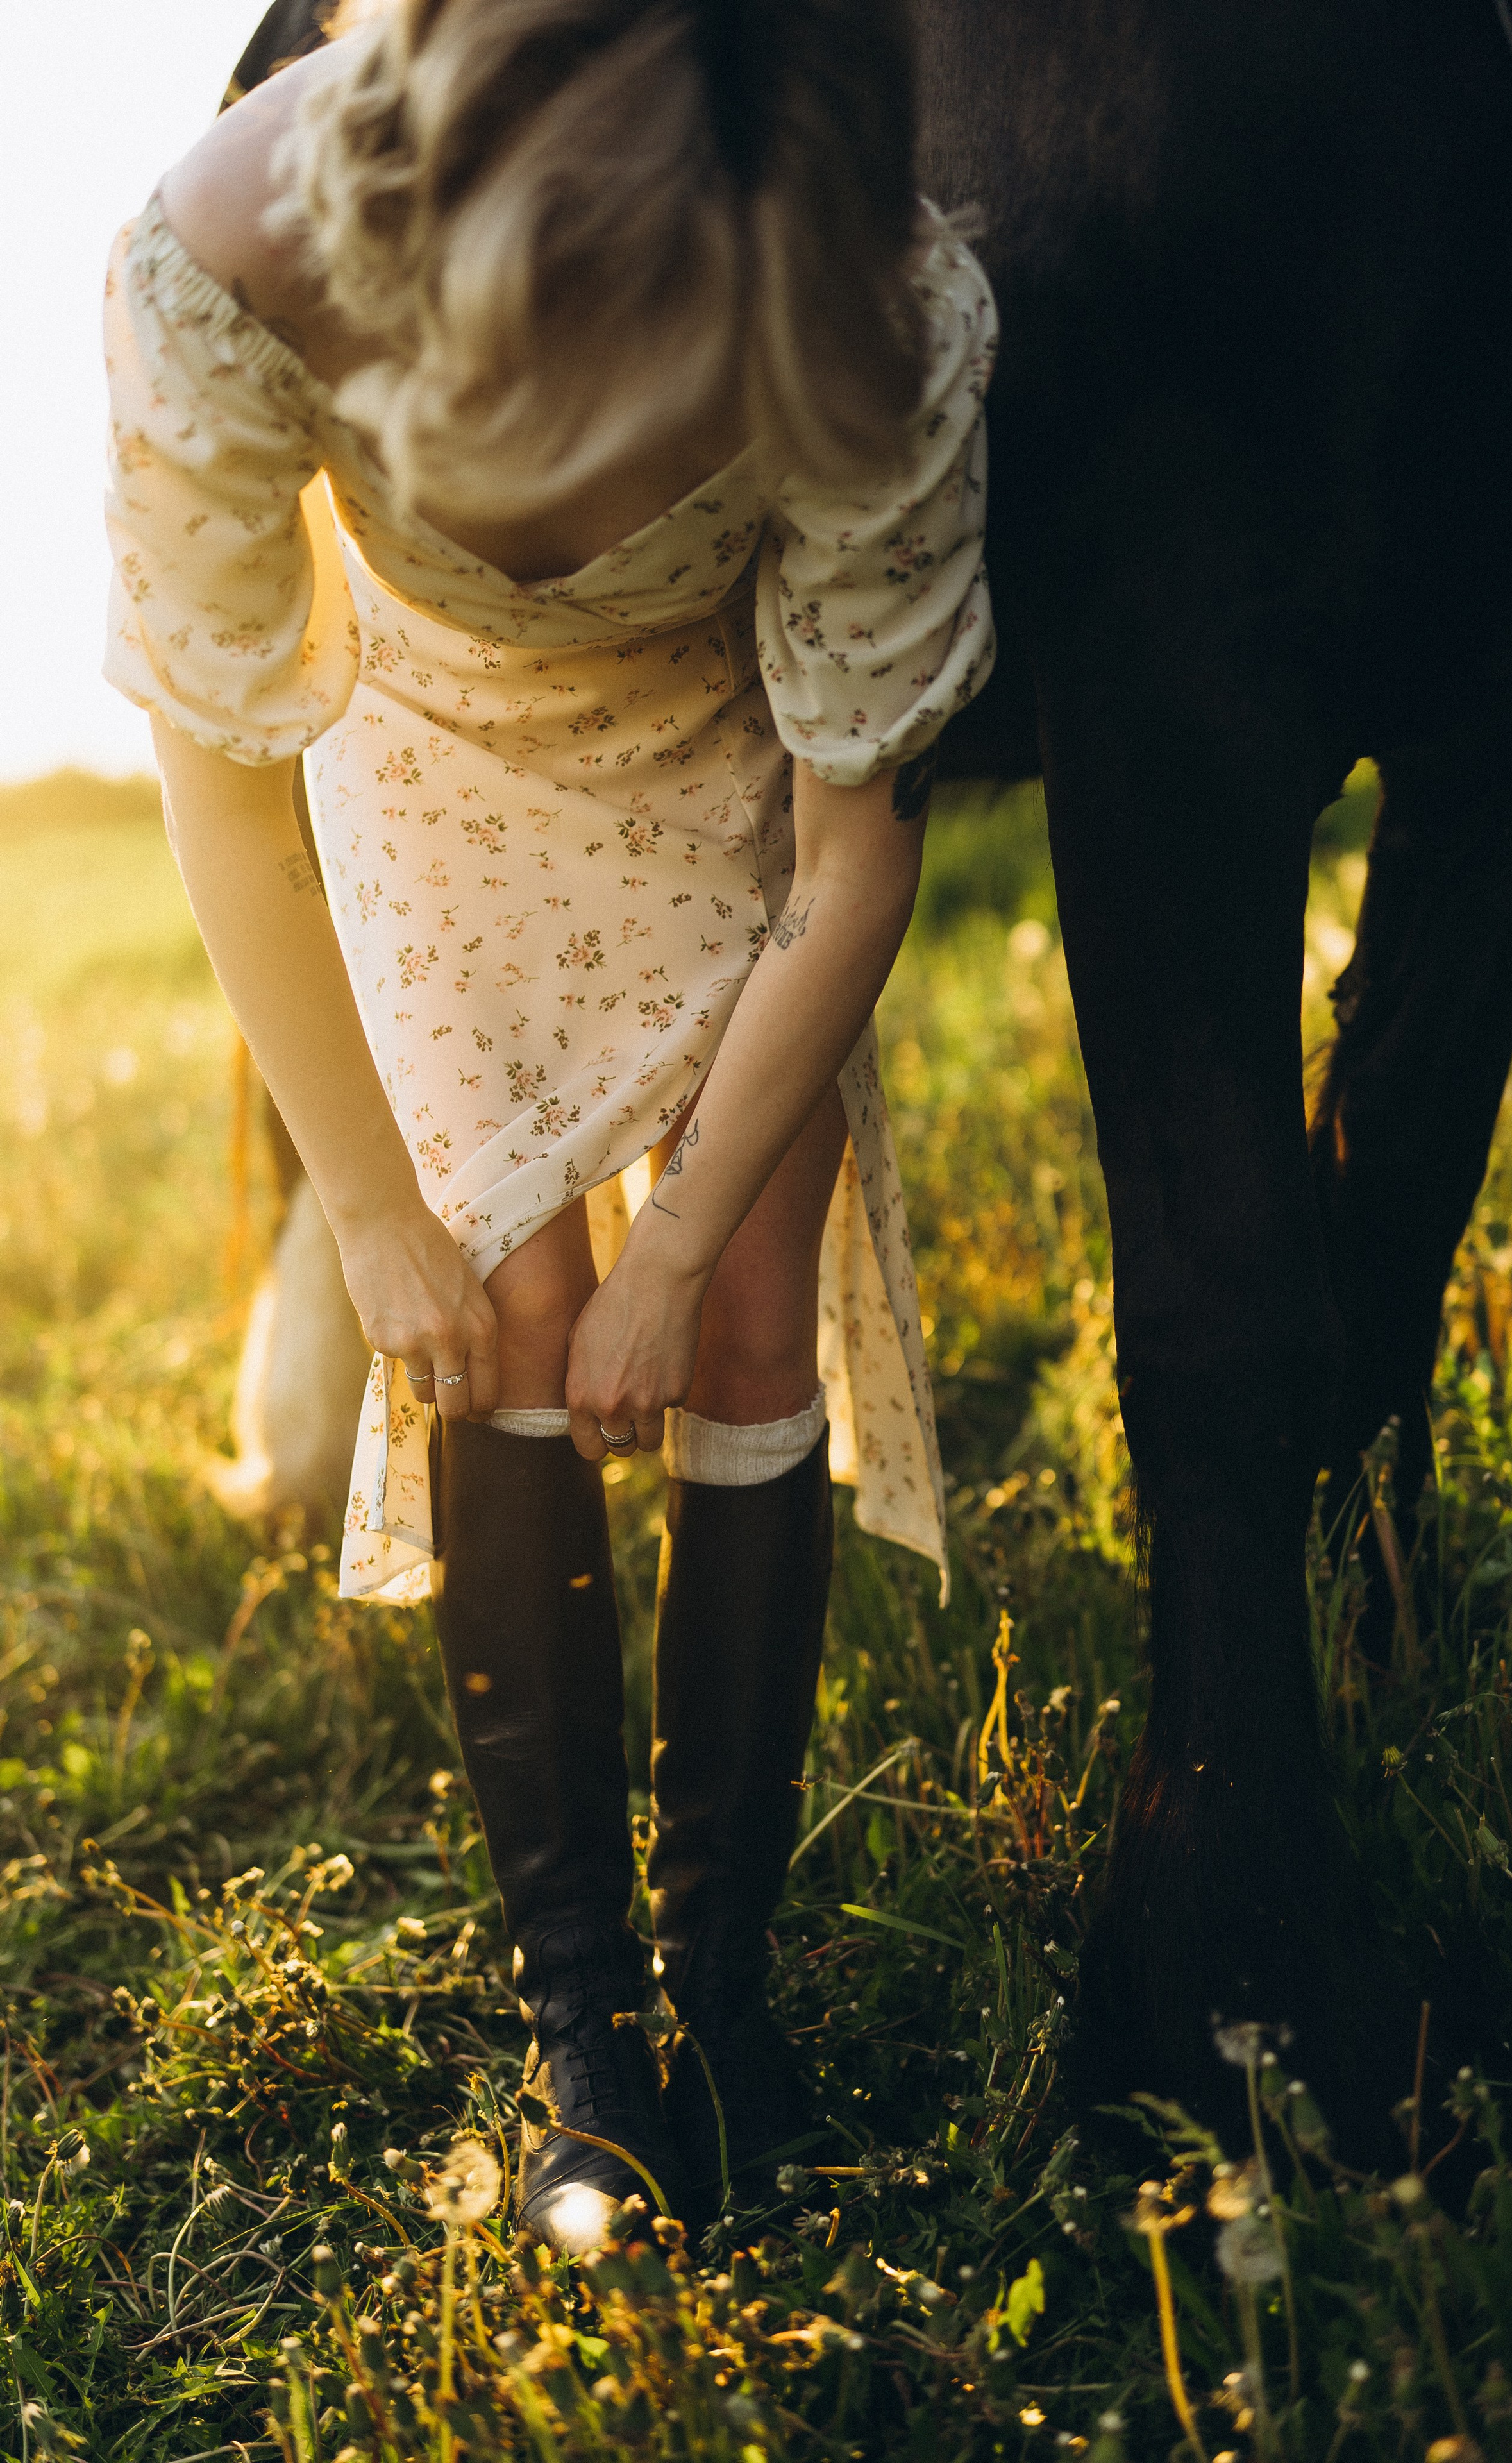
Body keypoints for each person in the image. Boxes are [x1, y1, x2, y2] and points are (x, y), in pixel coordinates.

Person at [103, 0, 995, 2250]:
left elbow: (852, 853)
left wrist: (688, 1247)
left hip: (724, 719)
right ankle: (584, 2027)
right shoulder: (217, 261)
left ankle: (728, 1994)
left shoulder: (874, 301)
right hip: (433, 735)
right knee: (501, 1308)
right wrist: (370, 1208)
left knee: (756, 1313)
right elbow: (222, 783)